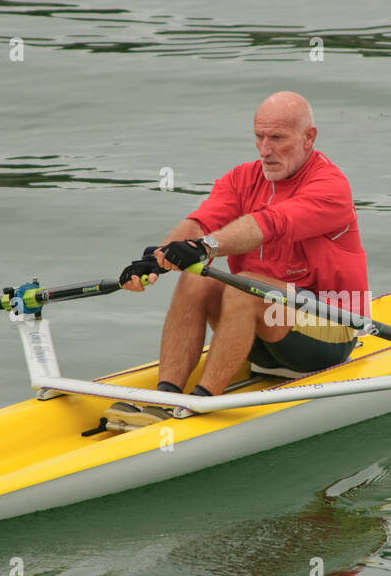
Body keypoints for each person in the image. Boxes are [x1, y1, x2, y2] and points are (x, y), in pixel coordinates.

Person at [117, 91, 368, 411]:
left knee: (243, 287)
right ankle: (166, 397)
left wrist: (206, 247)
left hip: (330, 329)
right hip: (264, 330)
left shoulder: (330, 187)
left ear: (309, 138)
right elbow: (199, 224)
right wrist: (156, 260)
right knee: (197, 279)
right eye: (259, 137)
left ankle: (200, 405)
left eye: (277, 138)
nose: (266, 150)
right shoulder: (241, 179)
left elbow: (270, 223)